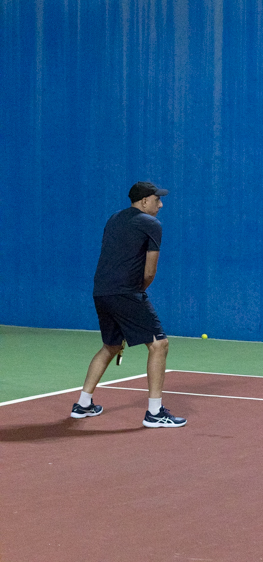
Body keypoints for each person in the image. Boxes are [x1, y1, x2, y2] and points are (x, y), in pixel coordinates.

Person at [70, 181, 187, 428]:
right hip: (126, 293)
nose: (161, 204)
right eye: (157, 199)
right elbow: (150, 271)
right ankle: (155, 413)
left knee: (111, 346)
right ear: (144, 201)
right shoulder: (151, 224)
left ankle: (83, 404)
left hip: (101, 291)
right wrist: (136, 293)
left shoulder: (114, 219)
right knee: (159, 344)